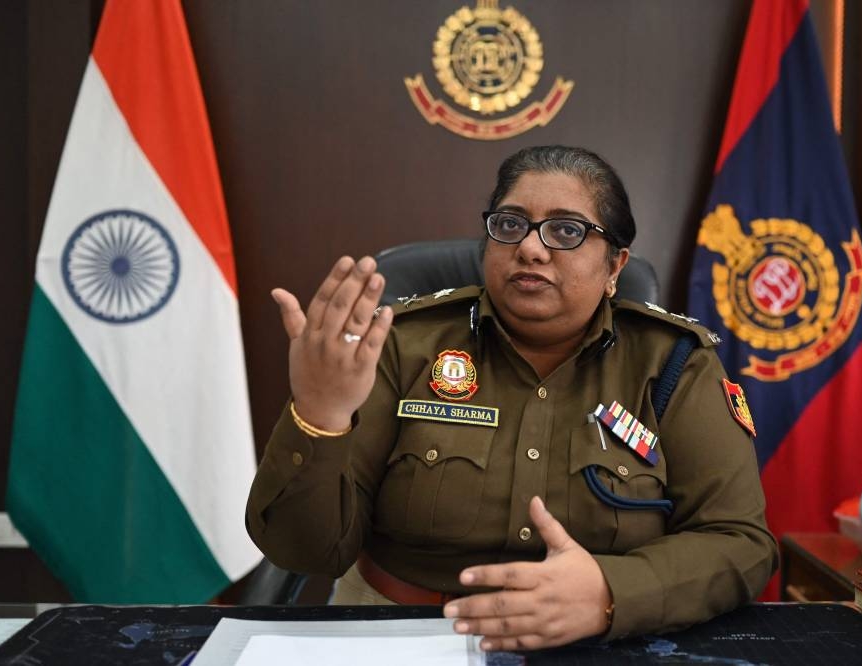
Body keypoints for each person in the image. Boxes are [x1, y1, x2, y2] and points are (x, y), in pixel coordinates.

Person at [246, 145, 777, 651]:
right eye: (509, 224)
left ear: (615, 267)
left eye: (566, 230)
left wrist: (612, 592)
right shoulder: (403, 347)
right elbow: (306, 551)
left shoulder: (671, 365)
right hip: (400, 629)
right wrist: (320, 414)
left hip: (605, 638)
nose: (529, 246)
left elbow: (740, 542)